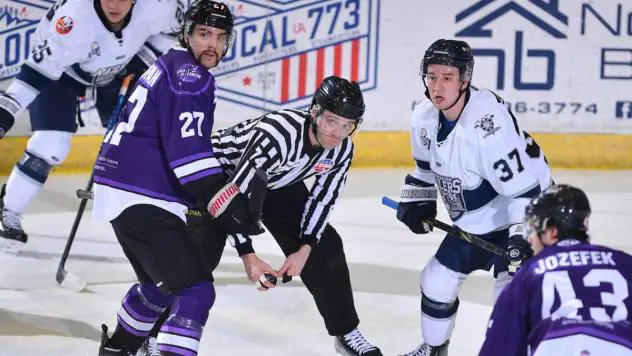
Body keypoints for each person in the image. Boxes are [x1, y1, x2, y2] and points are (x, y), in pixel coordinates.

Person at [145, 75, 381, 356]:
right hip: (218, 176)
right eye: (332, 121)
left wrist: (304, 248)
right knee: (201, 254)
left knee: (325, 245)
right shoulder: (279, 134)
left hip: (273, 182)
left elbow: (322, 200)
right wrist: (248, 255)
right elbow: (234, 196)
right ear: (314, 112)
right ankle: (147, 333)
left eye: (347, 126)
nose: (337, 133)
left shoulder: (341, 149)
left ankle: (345, 332)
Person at [91, 1, 234, 355]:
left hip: (122, 190)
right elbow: (188, 156)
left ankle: (117, 350)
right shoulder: (190, 74)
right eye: (203, 34)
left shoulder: (170, 63)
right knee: (195, 291)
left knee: (159, 287)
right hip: (141, 193)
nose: (211, 44)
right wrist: (222, 197)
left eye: (219, 36)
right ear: (187, 35)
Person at [395, 39, 553, 356]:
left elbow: (525, 191)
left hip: (523, 213)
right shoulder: (423, 116)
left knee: (510, 296)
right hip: (475, 219)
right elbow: (424, 170)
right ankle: (434, 349)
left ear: (465, 80)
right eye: (431, 76)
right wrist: (417, 199)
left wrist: (522, 238)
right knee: (436, 280)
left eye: (447, 78)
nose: (437, 86)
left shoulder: (488, 125)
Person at [0, 0, 186, 253]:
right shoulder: (74, 21)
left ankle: (155, 222)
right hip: (64, 74)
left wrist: (141, 61)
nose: (116, 5)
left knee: (141, 142)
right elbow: (33, 77)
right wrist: (4, 115)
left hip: (120, 71)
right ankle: (9, 209)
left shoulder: (156, 7)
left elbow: (177, 27)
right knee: (51, 144)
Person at [479, 184, 632, 355]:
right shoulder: (625, 264)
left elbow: (498, 348)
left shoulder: (529, 275)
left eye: (533, 229)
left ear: (552, 232)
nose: (530, 239)